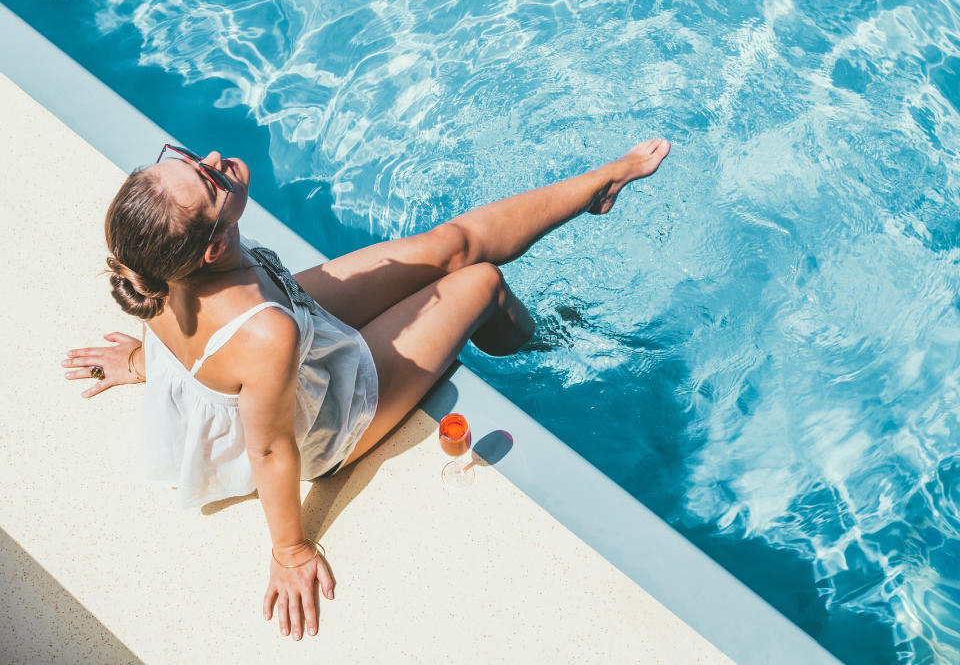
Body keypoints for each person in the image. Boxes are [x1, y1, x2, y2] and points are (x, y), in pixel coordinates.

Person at [62, 137, 670, 641]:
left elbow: (192, 343)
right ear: (214, 245)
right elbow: (271, 451)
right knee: (481, 281)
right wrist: (290, 552)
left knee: (448, 247)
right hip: (331, 413)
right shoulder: (262, 334)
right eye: (208, 179)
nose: (215, 159)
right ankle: (541, 351)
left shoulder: (147, 257)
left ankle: (601, 182)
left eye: (190, 159)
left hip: (295, 326)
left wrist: (148, 361)